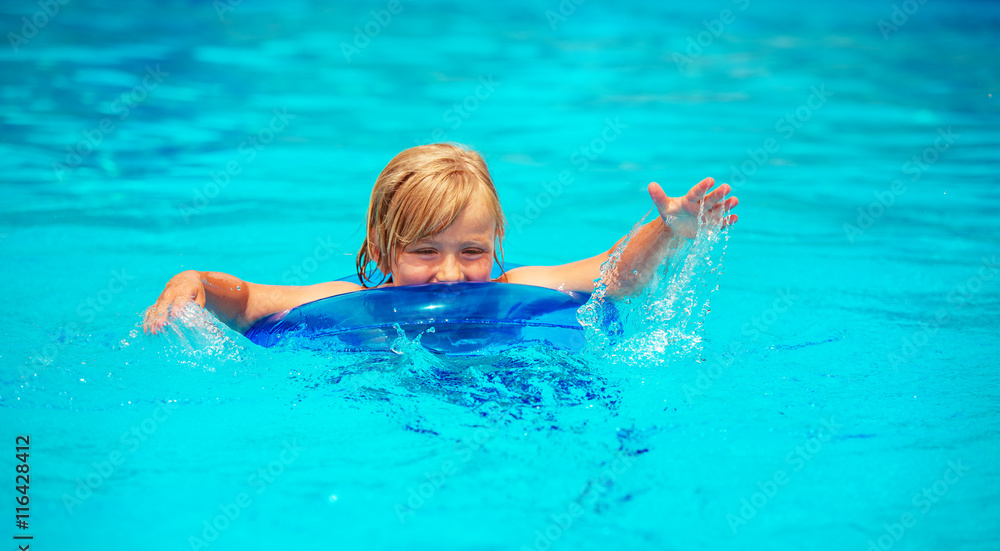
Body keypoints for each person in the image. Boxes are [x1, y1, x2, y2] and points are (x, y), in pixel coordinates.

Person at [143, 143, 737, 335]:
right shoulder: (354, 306)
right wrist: (191, 283)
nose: (451, 274)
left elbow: (618, 274)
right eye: (426, 251)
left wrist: (669, 229)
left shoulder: (519, 285)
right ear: (380, 252)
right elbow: (247, 300)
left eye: (472, 251)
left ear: (496, 246)